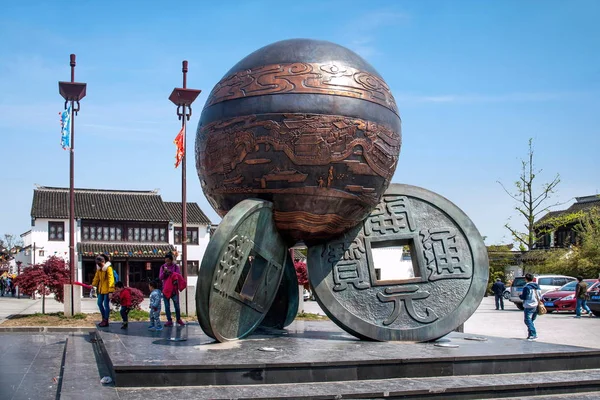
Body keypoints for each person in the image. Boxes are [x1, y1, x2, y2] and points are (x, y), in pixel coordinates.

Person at [159, 253, 185, 327]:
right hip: (166, 289)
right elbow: (160, 277)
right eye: (166, 261)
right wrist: (165, 272)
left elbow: (178, 275)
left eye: (168, 261)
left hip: (174, 289)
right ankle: (169, 320)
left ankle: (178, 319)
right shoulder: (163, 267)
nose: (167, 263)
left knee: (176, 306)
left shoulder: (175, 267)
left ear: (171, 260)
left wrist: (171, 272)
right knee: (167, 306)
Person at [91, 255, 115, 327]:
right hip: (101, 290)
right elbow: (96, 278)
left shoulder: (108, 268)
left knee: (106, 305)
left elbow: (111, 279)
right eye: (97, 263)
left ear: (103, 262)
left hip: (107, 290)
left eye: (99, 263)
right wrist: (93, 285)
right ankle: (104, 318)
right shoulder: (99, 270)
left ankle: (106, 320)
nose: (98, 264)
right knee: (99, 303)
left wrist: (111, 291)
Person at [519, 273, 541, 341]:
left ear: (526, 279)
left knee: (527, 320)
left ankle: (533, 334)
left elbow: (524, 297)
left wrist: (520, 295)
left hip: (529, 305)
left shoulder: (526, 287)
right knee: (531, 321)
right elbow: (540, 295)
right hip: (536, 305)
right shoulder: (537, 286)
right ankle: (530, 334)